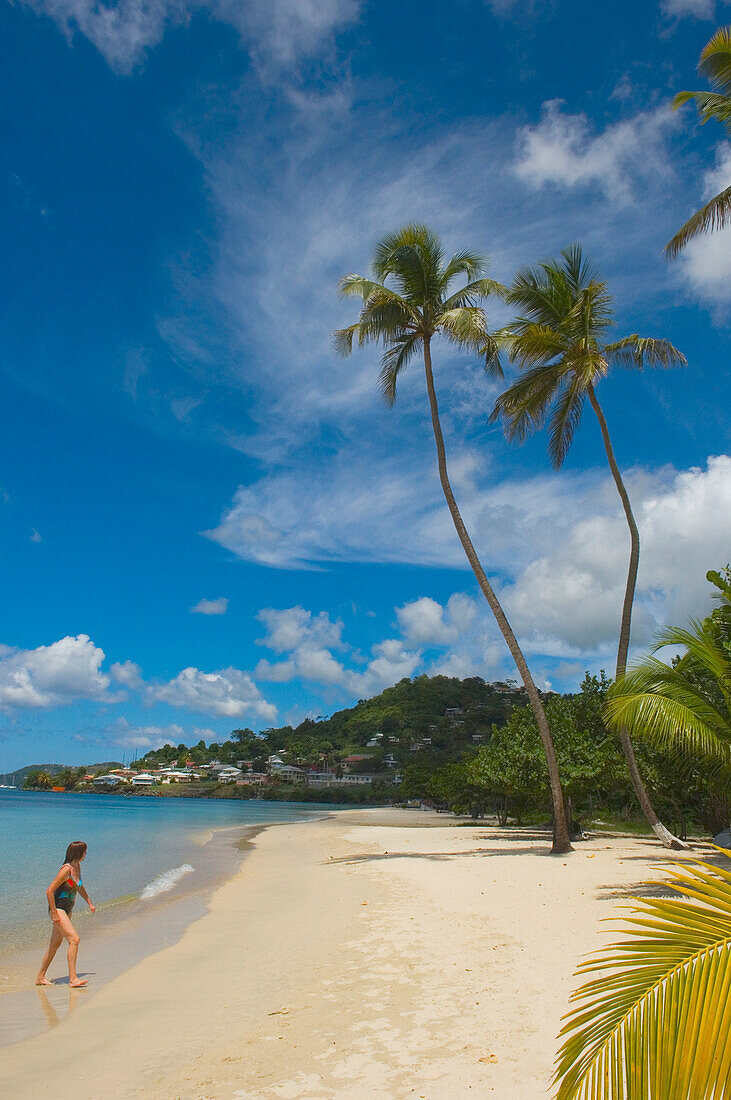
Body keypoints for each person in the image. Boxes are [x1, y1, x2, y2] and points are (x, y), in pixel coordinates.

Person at [36, 841, 95, 988]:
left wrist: (89, 902)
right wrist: (54, 913)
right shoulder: (66, 870)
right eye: (84, 852)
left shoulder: (77, 867)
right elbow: (49, 891)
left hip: (67, 910)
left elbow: (78, 886)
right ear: (78, 853)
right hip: (59, 910)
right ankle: (73, 979)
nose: (86, 854)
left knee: (54, 944)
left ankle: (40, 977)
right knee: (74, 939)